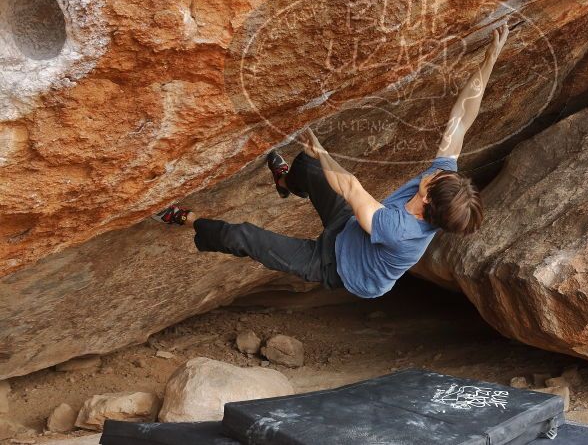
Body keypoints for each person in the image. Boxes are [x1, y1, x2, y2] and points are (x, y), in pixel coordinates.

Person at [153, 23, 510, 298]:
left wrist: (324, 152)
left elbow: (351, 187)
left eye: (435, 180)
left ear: (427, 201)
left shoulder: (402, 232)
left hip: (337, 265)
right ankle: (285, 183)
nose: (437, 172)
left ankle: (186, 218)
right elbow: (461, 119)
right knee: (308, 169)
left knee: (242, 236)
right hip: (352, 230)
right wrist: (490, 60)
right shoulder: (442, 182)